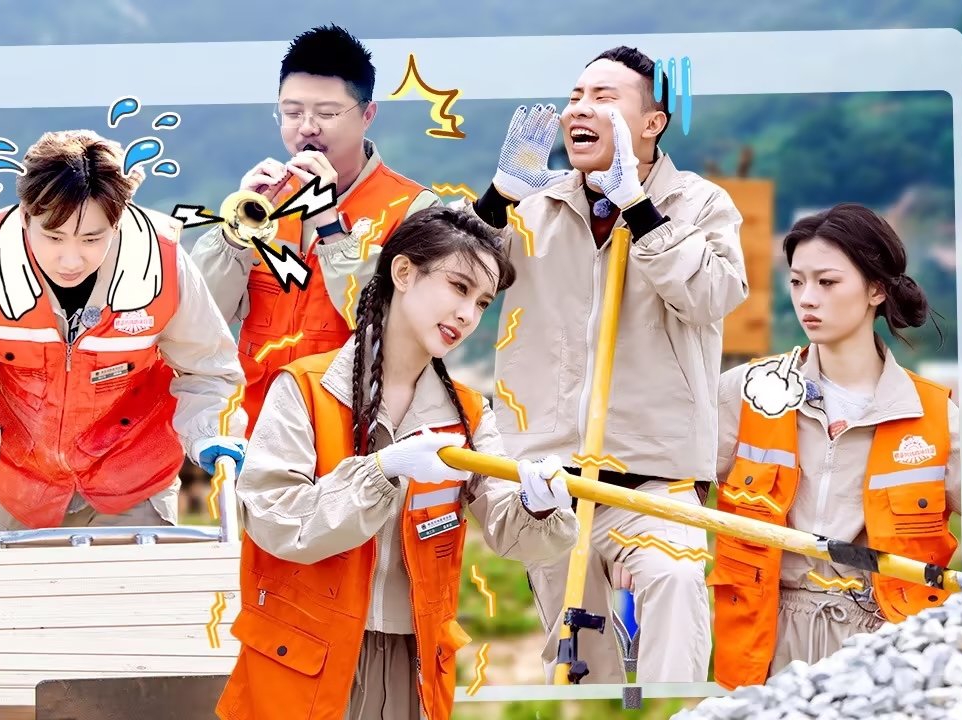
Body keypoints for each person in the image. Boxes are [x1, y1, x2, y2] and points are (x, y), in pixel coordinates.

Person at [217, 206, 580, 720]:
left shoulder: (469, 415)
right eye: (458, 287)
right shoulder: (304, 389)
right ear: (404, 272)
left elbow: (514, 531)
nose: (467, 315)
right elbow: (274, 520)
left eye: (482, 302)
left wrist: (537, 505)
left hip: (413, 662)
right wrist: (381, 471)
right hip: (304, 656)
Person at [462, 46, 748, 684]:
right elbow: (442, 280)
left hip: (655, 479)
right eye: (574, 98)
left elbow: (713, 295)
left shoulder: (699, 203)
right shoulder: (534, 207)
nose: (579, 110)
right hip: (550, 481)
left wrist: (639, 209)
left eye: (603, 98)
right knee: (581, 660)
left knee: (674, 585)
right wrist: (497, 199)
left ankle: (673, 711)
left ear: (652, 122)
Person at [0, 129, 247, 532]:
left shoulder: (162, 260)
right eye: (53, 237)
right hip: (24, 482)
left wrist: (211, 430)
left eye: (92, 238)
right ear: (25, 216)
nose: (70, 260)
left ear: (118, 222)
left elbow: (208, 368)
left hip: (132, 475)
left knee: (135, 574)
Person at [712, 203, 960, 689]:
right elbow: (677, 483)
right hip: (768, 637)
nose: (808, 299)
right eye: (796, 282)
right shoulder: (750, 390)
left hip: (886, 645)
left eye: (827, 282)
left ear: (876, 290)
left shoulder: (933, 416)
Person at [191, 24, 440, 437]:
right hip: (252, 432)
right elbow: (200, 315)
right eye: (292, 113)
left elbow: (398, 329)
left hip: (349, 436)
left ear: (367, 115)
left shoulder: (414, 208)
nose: (307, 127)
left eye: (326, 114)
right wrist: (235, 233)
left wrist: (330, 223)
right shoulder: (265, 198)